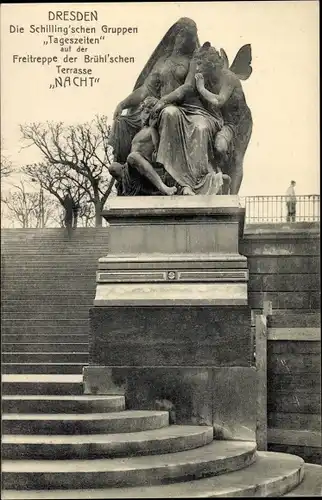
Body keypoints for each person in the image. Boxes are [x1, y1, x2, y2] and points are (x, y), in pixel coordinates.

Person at [109, 18, 225, 195]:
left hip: (193, 109)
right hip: (167, 109)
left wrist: (163, 100)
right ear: (175, 36)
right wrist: (123, 103)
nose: (185, 41)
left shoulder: (194, 60)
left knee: (199, 126)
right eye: (182, 36)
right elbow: (145, 90)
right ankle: (177, 182)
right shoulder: (162, 61)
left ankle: (198, 182)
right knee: (169, 114)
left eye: (189, 38)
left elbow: (187, 87)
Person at [109, 96, 177, 196]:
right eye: (144, 112)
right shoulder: (139, 132)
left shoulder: (152, 130)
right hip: (132, 168)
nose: (146, 116)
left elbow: (157, 148)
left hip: (146, 165)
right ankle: (127, 188)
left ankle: (163, 187)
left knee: (133, 156)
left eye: (149, 113)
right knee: (113, 167)